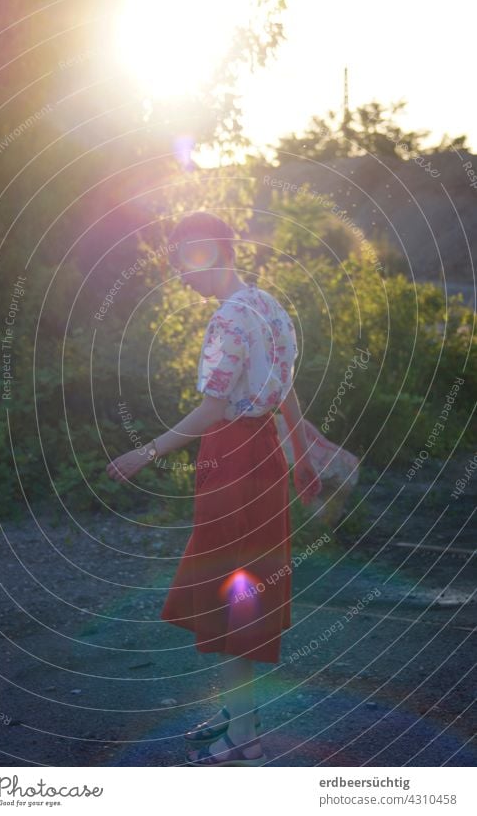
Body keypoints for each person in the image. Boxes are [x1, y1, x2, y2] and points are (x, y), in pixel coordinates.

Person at [106, 212, 322, 766]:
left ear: (204, 252)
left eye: (182, 261)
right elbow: (288, 396)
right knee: (244, 589)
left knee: (233, 597)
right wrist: (299, 457)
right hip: (267, 457)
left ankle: (244, 737)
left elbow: (214, 408)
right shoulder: (271, 306)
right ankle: (236, 714)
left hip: (232, 457)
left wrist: (143, 452)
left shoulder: (229, 319)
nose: (180, 276)